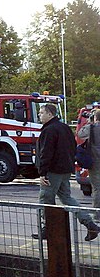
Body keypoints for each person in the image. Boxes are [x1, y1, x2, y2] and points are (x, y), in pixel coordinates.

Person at [35, 103, 100, 240]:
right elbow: (73, 147)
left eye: (41, 113)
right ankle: (90, 224)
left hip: (52, 171)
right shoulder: (64, 128)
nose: (39, 115)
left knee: (45, 199)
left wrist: (42, 172)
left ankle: (48, 229)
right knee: (67, 198)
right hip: (65, 170)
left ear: (49, 114)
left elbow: (45, 153)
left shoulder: (49, 130)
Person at [77, 108, 100, 220]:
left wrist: (89, 123)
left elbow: (80, 134)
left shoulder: (92, 128)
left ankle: (97, 214)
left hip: (95, 161)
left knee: (97, 188)